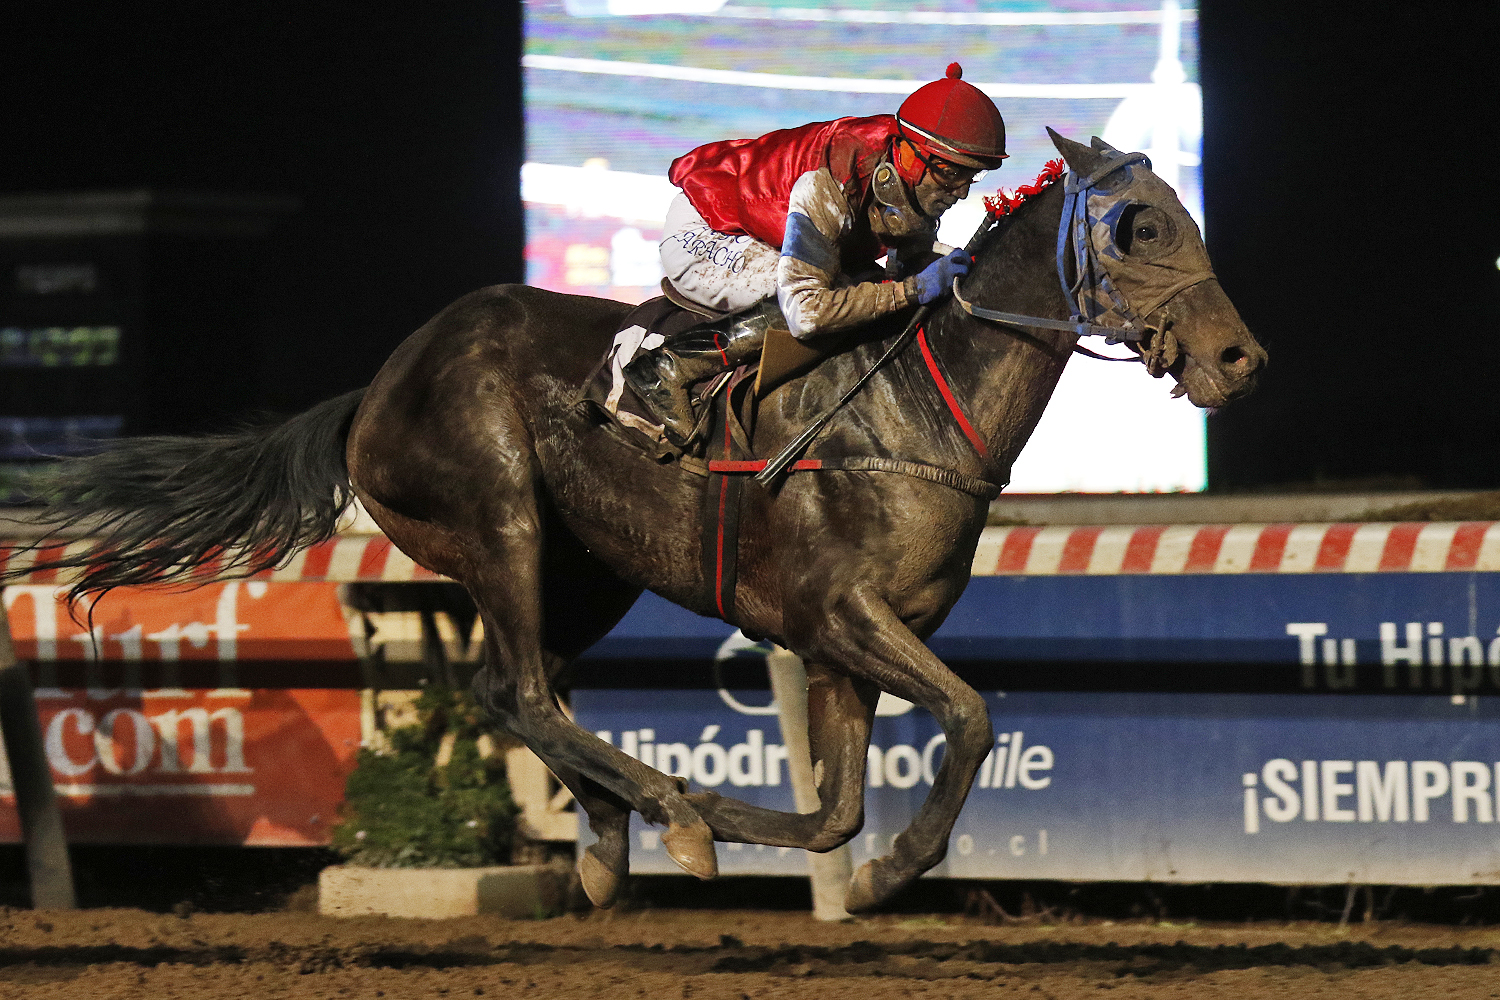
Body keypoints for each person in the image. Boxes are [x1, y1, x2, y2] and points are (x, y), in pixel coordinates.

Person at [622, 62, 1008, 446]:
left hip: (769, 230)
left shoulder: (906, 166)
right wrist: (912, 290)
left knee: (866, 291)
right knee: (832, 298)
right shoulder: (829, 180)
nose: (961, 192)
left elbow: (904, 262)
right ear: (909, 156)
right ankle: (667, 368)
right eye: (951, 174)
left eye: (972, 176)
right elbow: (806, 312)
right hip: (709, 226)